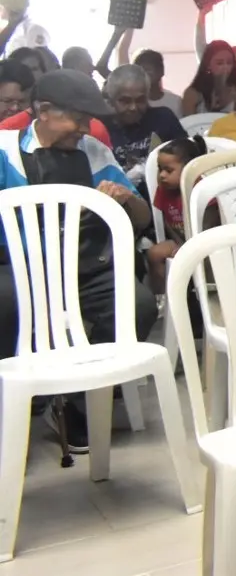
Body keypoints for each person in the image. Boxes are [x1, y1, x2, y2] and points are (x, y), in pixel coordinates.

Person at [0, 70, 156, 453]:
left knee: (137, 305)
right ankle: (15, 399)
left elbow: (140, 219)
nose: (85, 128)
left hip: (84, 268)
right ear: (46, 112)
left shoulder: (93, 152)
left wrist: (125, 198)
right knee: (4, 307)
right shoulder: (5, 151)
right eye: (78, 118)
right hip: (18, 270)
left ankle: (77, 400)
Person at [143, 134, 209, 295]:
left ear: (189, 168)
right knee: (154, 253)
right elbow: (168, 222)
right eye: (160, 169)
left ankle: (208, 296)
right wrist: (181, 245)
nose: (162, 175)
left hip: (207, 244)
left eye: (168, 170)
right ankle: (163, 299)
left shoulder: (202, 189)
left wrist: (190, 248)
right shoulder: (164, 190)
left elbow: (209, 226)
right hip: (181, 240)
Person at [103, 64, 187, 173]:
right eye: (125, 101)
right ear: (111, 100)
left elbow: (187, 157)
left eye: (140, 100)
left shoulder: (163, 118)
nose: (133, 107)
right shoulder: (102, 127)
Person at [180, 40, 236, 116]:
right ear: (208, 64)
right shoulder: (193, 93)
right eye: (219, 63)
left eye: (229, 63)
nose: (225, 67)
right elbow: (188, 123)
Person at [132, 48, 182, 116]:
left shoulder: (176, 102)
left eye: (148, 70)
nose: (143, 75)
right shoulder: (132, 104)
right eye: (139, 71)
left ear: (161, 71)